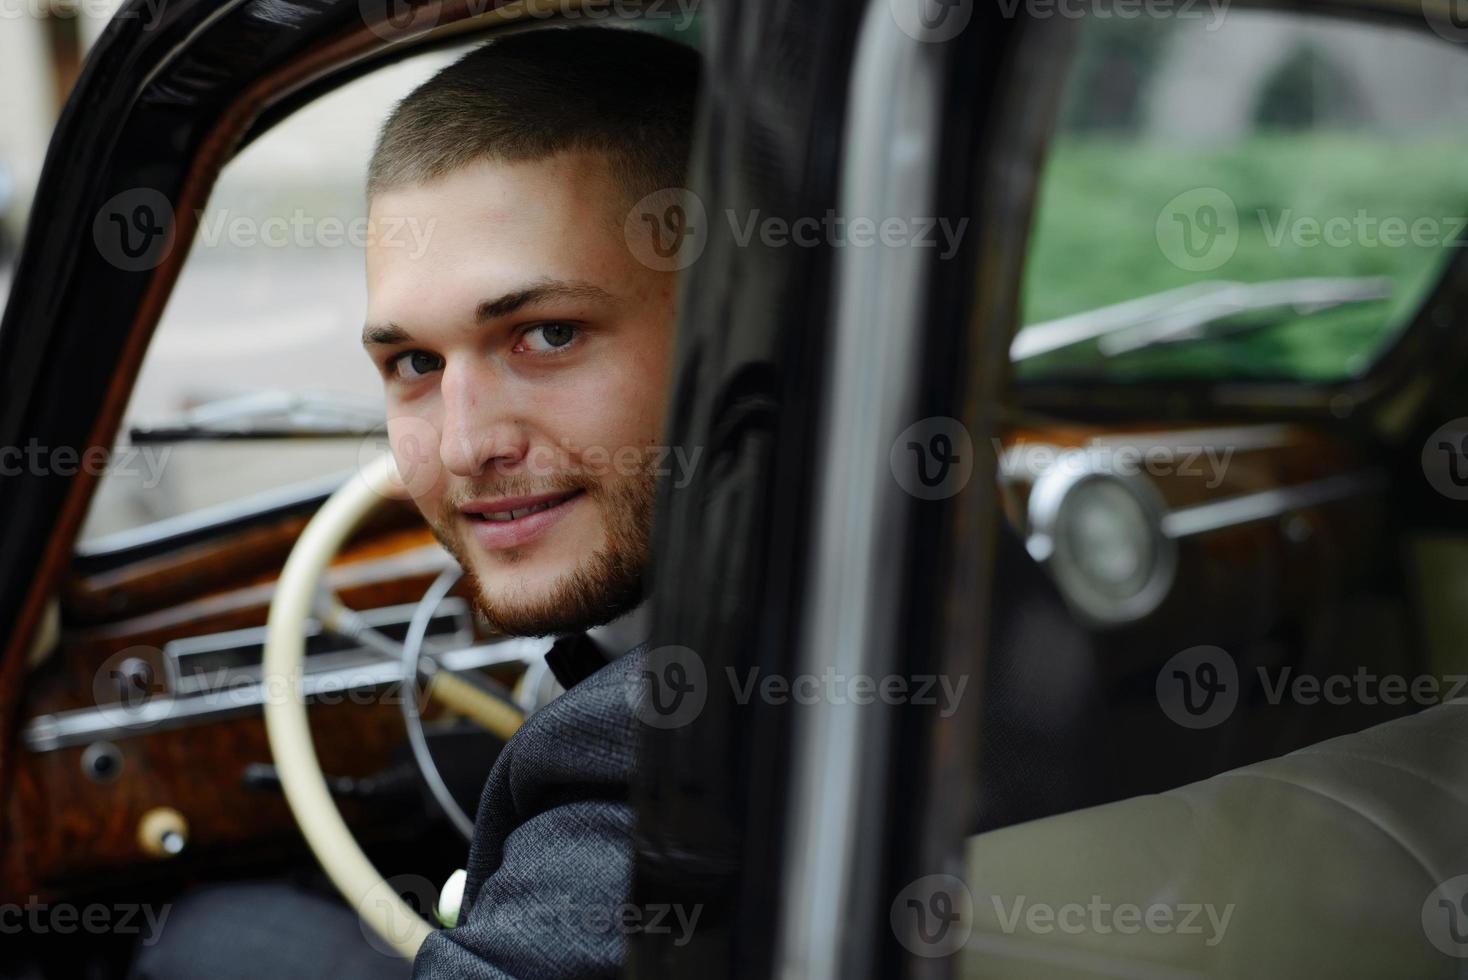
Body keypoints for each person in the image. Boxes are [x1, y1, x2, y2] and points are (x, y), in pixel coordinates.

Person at [128, 25, 700, 980]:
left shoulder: (657, 761)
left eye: (547, 334)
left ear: (740, 331)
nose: (466, 444)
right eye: (415, 363)